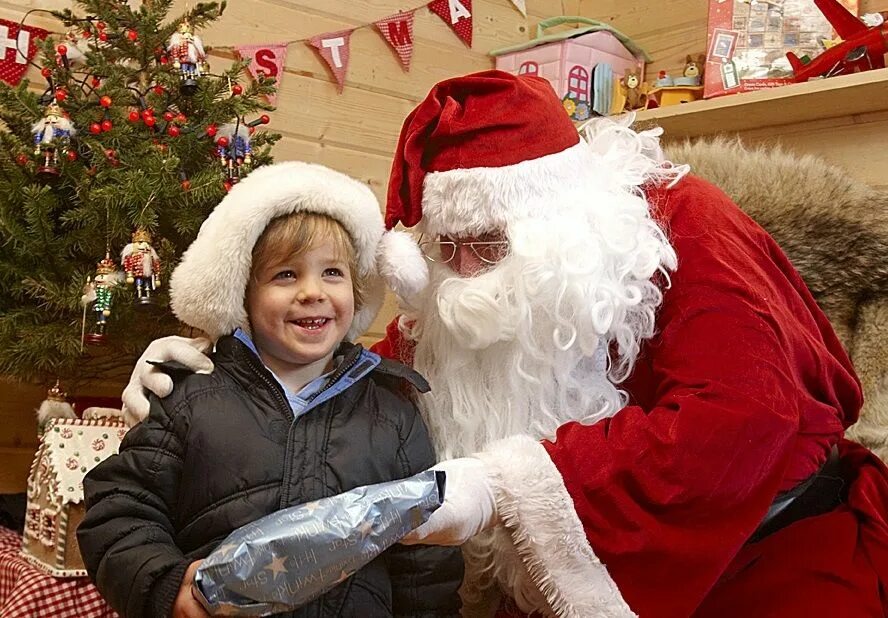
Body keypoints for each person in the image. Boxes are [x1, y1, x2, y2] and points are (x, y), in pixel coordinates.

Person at [120, 72, 888, 617]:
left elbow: (746, 418)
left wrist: (504, 481)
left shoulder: (680, 224)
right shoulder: (451, 289)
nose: (465, 276)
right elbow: (377, 378)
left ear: (552, 220)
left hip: (768, 543)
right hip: (563, 573)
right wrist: (218, 362)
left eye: (488, 244)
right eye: (444, 248)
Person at [76, 162, 464, 618]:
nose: (312, 292)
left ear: (357, 292)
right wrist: (166, 585)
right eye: (285, 275)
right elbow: (120, 509)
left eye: (333, 273)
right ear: (244, 294)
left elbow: (423, 559)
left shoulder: (392, 413)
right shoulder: (193, 397)